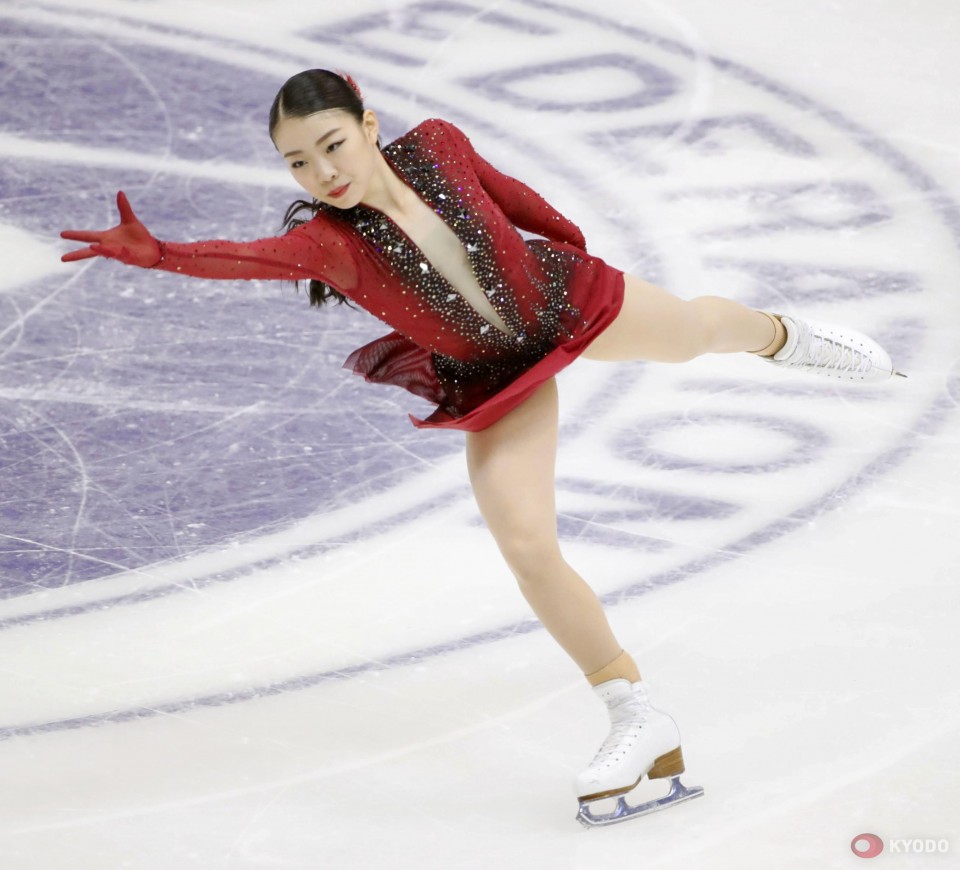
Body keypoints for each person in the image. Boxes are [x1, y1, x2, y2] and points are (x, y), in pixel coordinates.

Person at [59, 69, 901, 826]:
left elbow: (515, 200)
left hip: (564, 302)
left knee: (691, 331)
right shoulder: (333, 245)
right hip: (497, 374)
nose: (323, 173)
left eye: (331, 145)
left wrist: (565, 243)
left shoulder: (439, 146)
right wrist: (162, 253)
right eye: (298, 164)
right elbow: (250, 258)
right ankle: (635, 715)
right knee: (528, 545)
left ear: (367, 120)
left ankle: (789, 337)